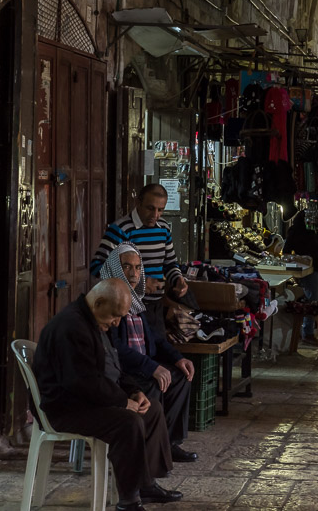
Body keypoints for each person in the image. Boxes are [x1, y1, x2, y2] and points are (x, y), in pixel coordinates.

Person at [34, 280, 182, 511]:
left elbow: (115, 368)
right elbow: (82, 382)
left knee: (151, 409)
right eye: (115, 316)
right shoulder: (71, 327)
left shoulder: (98, 322)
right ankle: (129, 501)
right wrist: (123, 402)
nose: (117, 322)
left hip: (90, 400)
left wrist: (135, 392)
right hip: (66, 408)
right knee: (128, 422)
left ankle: (147, 484)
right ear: (99, 302)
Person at [100, 244, 197, 463]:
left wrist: (178, 358)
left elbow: (155, 339)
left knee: (181, 376)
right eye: (126, 267)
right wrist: (152, 367)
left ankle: (169, 443)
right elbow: (114, 348)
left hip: (143, 365)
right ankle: (148, 447)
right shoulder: (108, 299)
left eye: (137, 267)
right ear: (116, 268)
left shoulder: (136, 300)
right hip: (123, 372)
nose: (133, 273)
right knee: (154, 384)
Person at [91, 184, 189, 336]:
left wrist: (178, 280)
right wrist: (140, 284)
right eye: (150, 208)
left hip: (155, 307)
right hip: (125, 308)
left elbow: (170, 263)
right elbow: (97, 267)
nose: (155, 215)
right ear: (138, 203)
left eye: (160, 210)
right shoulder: (121, 229)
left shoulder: (163, 228)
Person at [283, 212, 318, 346]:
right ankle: (307, 333)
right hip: (307, 271)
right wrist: (301, 260)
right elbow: (286, 252)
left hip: (317, 269)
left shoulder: (312, 232)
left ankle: (317, 328)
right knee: (314, 300)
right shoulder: (295, 232)